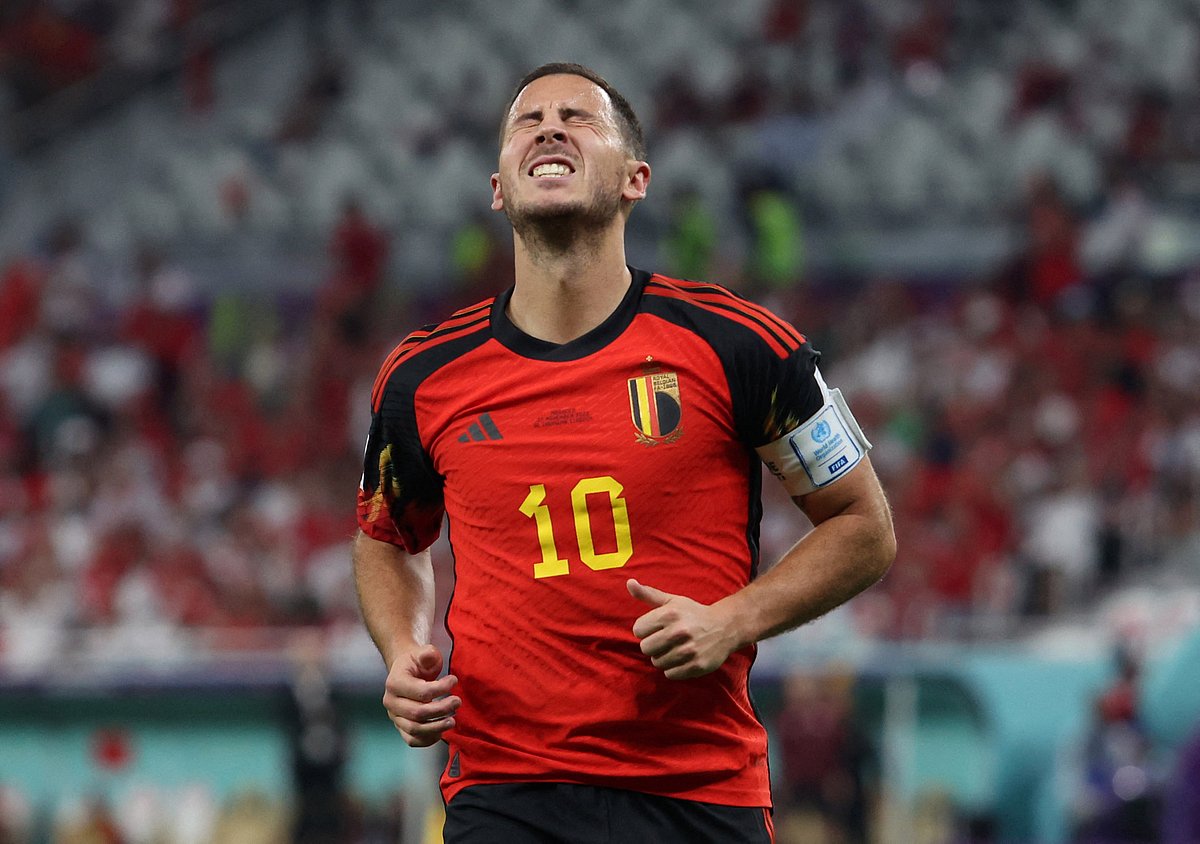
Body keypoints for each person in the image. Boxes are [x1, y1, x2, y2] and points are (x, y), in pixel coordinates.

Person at [353, 62, 896, 843]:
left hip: (697, 789)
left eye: (579, 117)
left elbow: (865, 527)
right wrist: (404, 647)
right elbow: (386, 536)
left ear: (635, 179)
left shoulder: (741, 347)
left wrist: (733, 620)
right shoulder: (423, 377)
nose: (548, 127)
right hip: (505, 793)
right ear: (498, 189)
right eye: (526, 120)